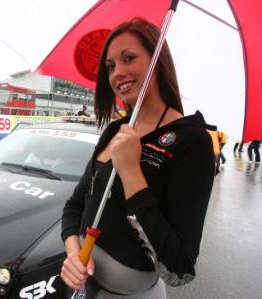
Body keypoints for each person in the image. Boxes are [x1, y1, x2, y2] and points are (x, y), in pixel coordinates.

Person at [60, 18, 216, 299]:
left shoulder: (191, 141)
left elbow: (180, 264)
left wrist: (131, 171)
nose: (117, 72)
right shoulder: (114, 131)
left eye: (128, 58)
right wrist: (73, 253)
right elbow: (74, 206)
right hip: (83, 289)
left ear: (158, 61)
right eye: (110, 66)